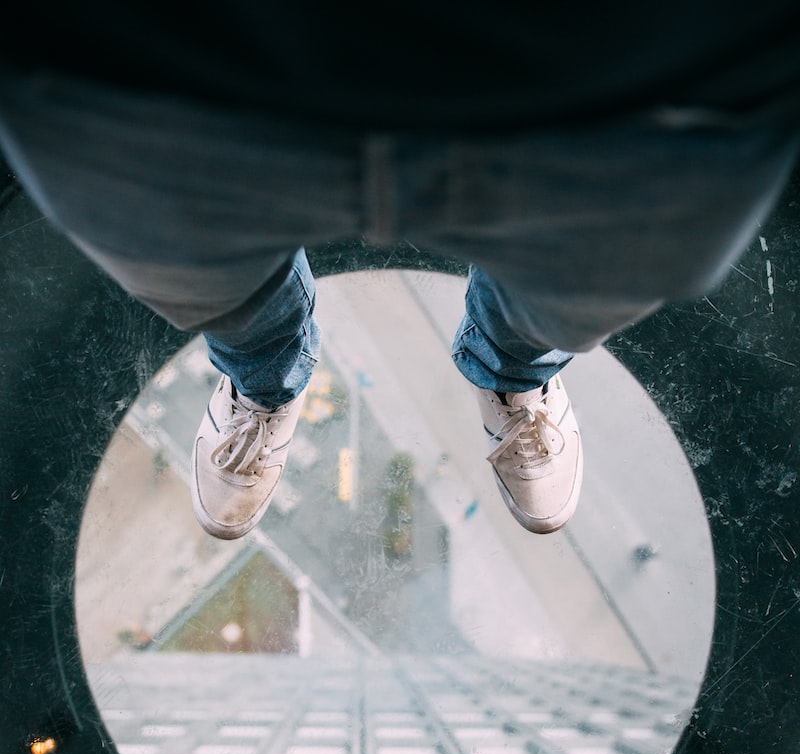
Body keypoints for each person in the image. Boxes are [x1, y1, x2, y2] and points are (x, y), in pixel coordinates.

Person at [1, 5, 798, 542]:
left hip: (650, 82)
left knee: (572, 301)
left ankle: (513, 372)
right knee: (216, 292)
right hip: (137, 66)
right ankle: (266, 384)